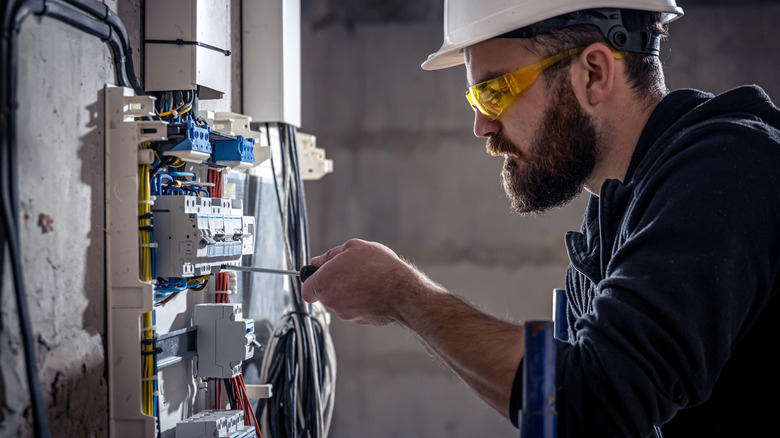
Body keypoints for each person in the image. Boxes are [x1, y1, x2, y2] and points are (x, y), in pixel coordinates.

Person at [301, 0, 780, 436]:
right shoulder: (616, 214)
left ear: (593, 72)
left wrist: (406, 296)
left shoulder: (730, 170)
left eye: (495, 91)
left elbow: (593, 399)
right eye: (476, 99)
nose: (482, 126)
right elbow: (570, 410)